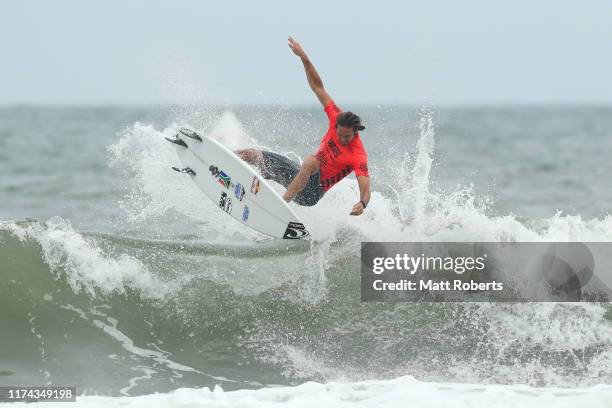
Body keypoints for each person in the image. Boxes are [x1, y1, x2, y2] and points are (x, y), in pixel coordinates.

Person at [236, 36, 370, 216]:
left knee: (312, 161)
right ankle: (225, 155)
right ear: (336, 126)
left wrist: (362, 203)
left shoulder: (358, 155)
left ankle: (281, 207)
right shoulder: (334, 116)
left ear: (355, 132)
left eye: (347, 137)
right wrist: (304, 57)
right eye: (339, 135)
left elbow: (365, 186)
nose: (342, 139)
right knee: (255, 155)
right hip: (301, 177)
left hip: (312, 194)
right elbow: (317, 87)